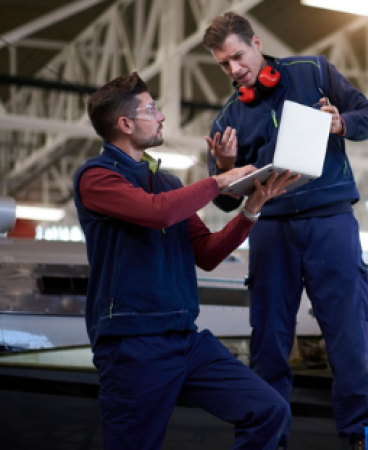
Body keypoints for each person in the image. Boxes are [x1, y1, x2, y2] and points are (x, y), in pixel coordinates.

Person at [73, 72, 300, 450]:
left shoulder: (167, 184)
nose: (161, 117)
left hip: (186, 340)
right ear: (125, 124)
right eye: (152, 109)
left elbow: (206, 253)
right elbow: (156, 214)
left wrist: (250, 211)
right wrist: (220, 180)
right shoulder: (97, 178)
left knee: (269, 410)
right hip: (133, 345)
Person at [202, 12, 368, 450]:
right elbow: (224, 199)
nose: (234, 69)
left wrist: (341, 123)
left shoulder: (314, 72)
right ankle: (264, 443)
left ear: (257, 42)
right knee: (267, 345)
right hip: (271, 229)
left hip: (331, 222)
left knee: (351, 341)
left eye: (238, 56)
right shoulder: (227, 119)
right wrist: (226, 171)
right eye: (223, 64)